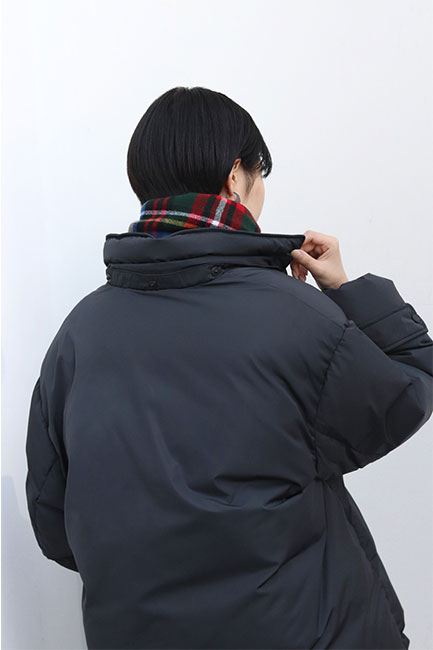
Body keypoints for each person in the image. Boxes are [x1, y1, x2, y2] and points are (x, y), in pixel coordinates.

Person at [25, 86, 432, 650]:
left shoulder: (78, 334)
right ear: (235, 175)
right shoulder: (297, 316)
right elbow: (409, 390)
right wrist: (346, 289)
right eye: (260, 174)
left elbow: (54, 522)